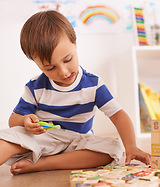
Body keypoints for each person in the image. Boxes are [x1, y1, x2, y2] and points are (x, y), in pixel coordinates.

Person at [0, 10, 150, 175]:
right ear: (37, 64)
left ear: (75, 44)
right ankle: (40, 159)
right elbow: (13, 121)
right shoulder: (35, 87)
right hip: (43, 140)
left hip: (78, 143)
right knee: (5, 140)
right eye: (50, 68)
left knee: (113, 149)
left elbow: (118, 115)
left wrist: (131, 146)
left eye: (67, 60)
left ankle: (42, 164)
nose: (63, 72)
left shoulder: (93, 85)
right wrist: (25, 121)